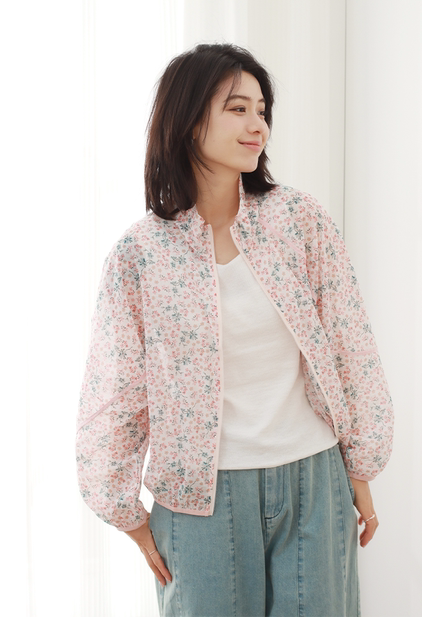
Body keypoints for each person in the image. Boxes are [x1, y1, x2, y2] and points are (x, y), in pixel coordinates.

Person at [76, 43, 394, 616]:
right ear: (188, 118)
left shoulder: (299, 221)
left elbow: (351, 344)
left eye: (262, 111)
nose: (258, 126)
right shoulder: (140, 254)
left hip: (313, 479)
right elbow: (116, 390)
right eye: (238, 109)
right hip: (199, 500)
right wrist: (128, 516)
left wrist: (361, 470)